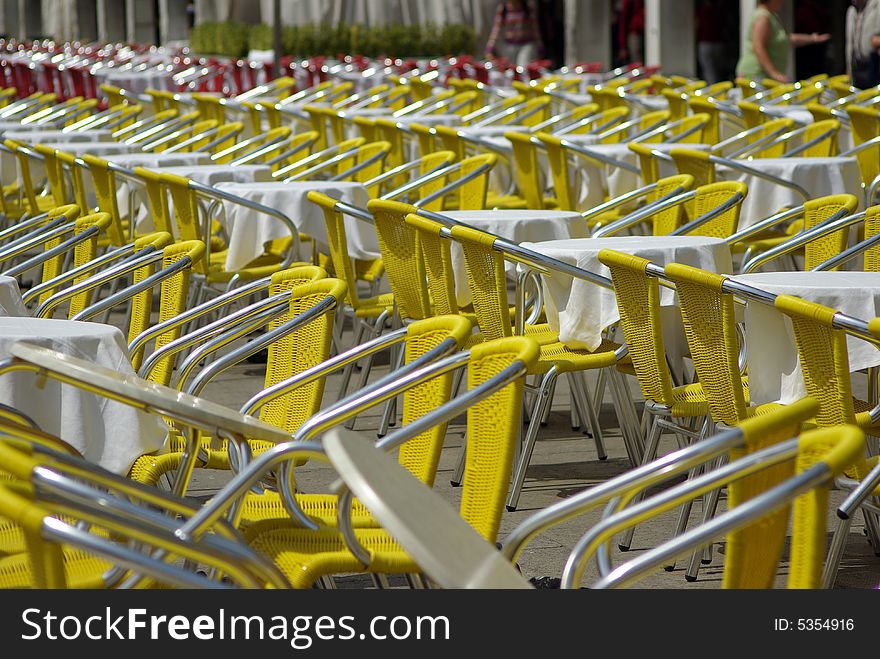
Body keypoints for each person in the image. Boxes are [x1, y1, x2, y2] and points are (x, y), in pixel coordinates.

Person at [736, 0, 830, 84]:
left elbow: (786, 39)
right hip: (757, 74)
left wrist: (812, 38)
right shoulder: (763, 17)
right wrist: (774, 73)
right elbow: (758, 47)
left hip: (763, 76)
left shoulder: (771, 15)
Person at [485, 0, 543, 69]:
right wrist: (490, 47)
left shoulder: (527, 8)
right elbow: (496, 29)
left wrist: (540, 45)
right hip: (510, 46)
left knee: (522, 67)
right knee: (511, 69)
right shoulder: (504, 8)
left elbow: (535, 29)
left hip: (525, 45)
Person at [846, 0, 880, 89]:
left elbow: (876, 38)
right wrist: (849, 70)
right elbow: (849, 44)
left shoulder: (876, 5)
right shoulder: (852, 11)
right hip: (857, 66)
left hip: (873, 64)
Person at [696, 0, 727, 84]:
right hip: (718, 43)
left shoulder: (703, 11)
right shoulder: (719, 11)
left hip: (706, 43)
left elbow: (696, 25)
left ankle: (713, 89)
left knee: (709, 70)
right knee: (718, 70)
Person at [618, 0, 645, 65]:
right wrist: (622, 46)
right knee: (636, 60)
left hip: (645, 32)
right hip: (634, 32)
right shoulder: (629, 2)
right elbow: (623, 23)